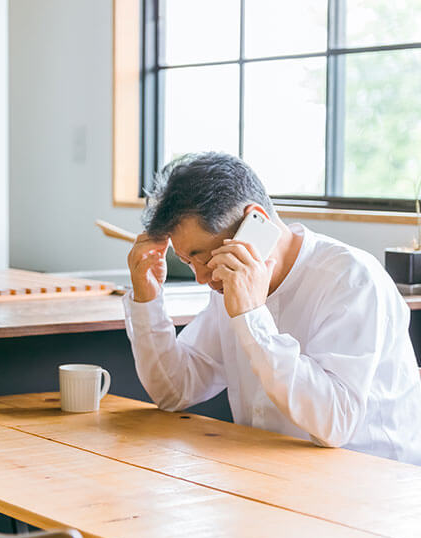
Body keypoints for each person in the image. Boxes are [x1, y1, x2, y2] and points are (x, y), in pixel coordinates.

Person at [124, 151, 421, 464]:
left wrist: (252, 318)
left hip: (372, 484)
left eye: (203, 257)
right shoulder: (227, 278)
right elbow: (176, 390)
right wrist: (147, 299)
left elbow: (335, 423)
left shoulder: (352, 279)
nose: (200, 278)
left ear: (256, 222)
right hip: (268, 476)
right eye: (187, 261)